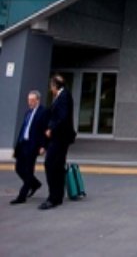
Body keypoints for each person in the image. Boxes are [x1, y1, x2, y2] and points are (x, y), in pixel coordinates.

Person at [41, 75, 76, 210]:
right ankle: (57, 196)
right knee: (58, 166)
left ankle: (53, 197)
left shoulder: (64, 97)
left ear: (55, 86)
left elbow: (62, 116)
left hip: (60, 138)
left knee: (50, 164)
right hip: (60, 137)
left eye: (51, 86)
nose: (51, 89)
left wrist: (51, 129)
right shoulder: (62, 96)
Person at [11, 90, 48, 205]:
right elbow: (23, 129)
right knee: (18, 168)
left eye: (32, 100)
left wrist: (43, 146)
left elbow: (45, 130)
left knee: (28, 170)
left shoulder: (43, 112)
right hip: (23, 144)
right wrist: (17, 146)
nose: (30, 102)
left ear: (38, 100)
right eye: (28, 100)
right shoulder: (28, 112)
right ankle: (35, 184)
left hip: (33, 145)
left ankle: (21, 196)